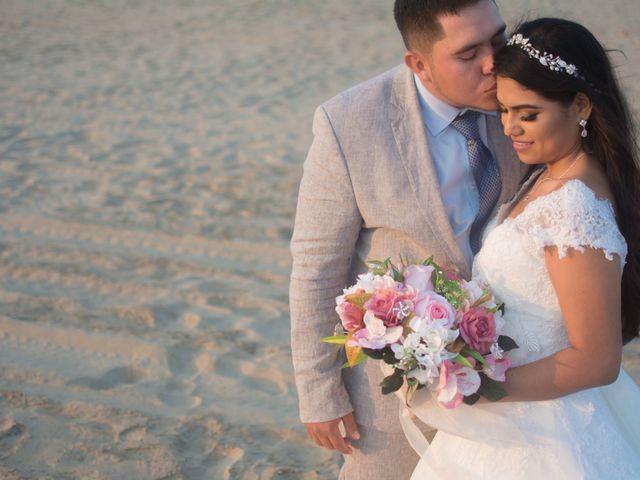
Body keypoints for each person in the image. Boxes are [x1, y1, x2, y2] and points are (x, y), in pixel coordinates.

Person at [289, 1, 531, 478]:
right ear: (418, 64)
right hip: (398, 387)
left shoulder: (527, 94)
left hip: (517, 368)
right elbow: (317, 267)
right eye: (468, 54)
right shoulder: (348, 123)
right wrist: (319, 393)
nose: (492, 64)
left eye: (497, 40)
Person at [405, 18, 640, 479]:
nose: (511, 128)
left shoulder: (572, 206)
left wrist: (474, 384)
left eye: (528, 114)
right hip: (514, 416)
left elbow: (596, 360)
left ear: (580, 106)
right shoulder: (548, 175)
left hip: (546, 433)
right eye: (505, 110)